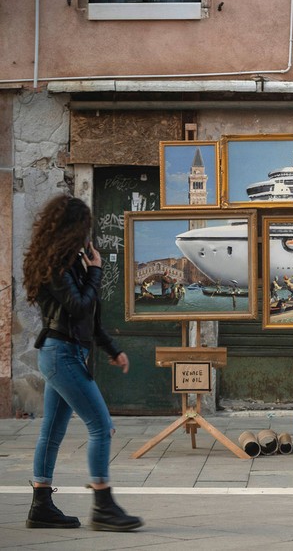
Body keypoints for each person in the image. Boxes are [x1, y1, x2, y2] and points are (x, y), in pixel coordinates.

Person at [22, 195, 143, 532]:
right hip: (61, 354)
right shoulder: (57, 268)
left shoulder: (70, 263)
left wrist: (111, 348)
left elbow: (88, 316)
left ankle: (41, 506)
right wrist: (97, 273)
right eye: (85, 228)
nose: (89, 235)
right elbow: (77, 307)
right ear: (73, 229)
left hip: (66, 352)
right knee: (101, 426)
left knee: (52, 431)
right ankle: (103, 506)